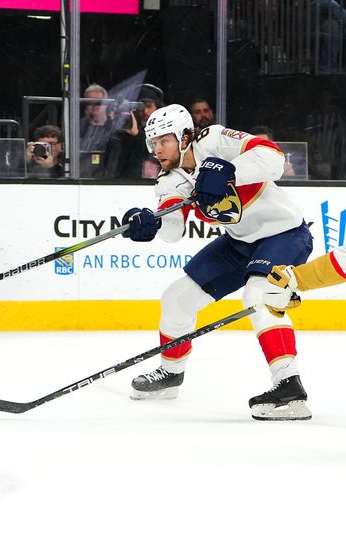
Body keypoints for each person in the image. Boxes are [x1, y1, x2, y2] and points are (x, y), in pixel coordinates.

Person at [122, 103, 314, 421]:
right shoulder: (169, 178)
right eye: (152, 142)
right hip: (238, 244)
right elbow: (173, 231)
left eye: (163, 140)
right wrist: (152, 224)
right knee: (176, 300)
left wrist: (228, 171)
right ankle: (171, 374)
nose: (157, 149)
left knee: (259, 295)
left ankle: (289, 389)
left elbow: (273, 158)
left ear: (184, 136)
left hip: (284, 235)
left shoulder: (212, 139)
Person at [104, 83, 163, 179]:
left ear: (157, 107)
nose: (145, 111)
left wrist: (137, 135)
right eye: (140, 107)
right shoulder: (122, 136)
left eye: (149, 106)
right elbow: (112, 169)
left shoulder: (165, 132)